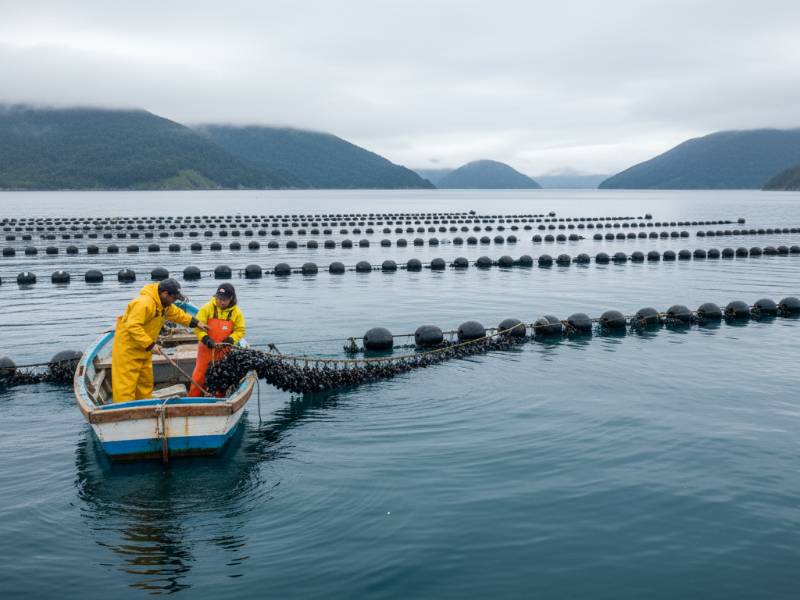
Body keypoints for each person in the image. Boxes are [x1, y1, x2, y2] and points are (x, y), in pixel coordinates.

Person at [112, 278, 207, 403]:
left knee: (145, 384)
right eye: (173, 298)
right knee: (125, 386)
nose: (174, 301)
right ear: (165, 293)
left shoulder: (163, 304)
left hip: (144, 350)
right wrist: (150, 345)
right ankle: (123, 413)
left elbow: (177, 314)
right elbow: (133, 326)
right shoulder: (144, 303)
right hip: (128, 350)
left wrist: (195, 323)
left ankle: (145, 409)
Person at [189, 283, 246, 397]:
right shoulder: (207, 308)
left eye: (224, 299)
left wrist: (230, 339)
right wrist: (206, 339)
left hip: (224, 352)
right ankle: (193, 400)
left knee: (221, 380)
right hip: (206, 351)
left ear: (231, 298)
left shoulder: (236, 313)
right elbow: (197, 328)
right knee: (198, 378)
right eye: (219, 298)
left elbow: (240, 330)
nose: (221, 301)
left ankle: (220, 402)